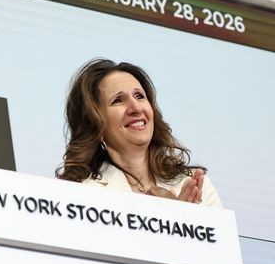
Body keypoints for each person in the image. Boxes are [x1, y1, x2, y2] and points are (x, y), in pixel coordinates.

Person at [56, 58, 222, 207]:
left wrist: (188, 223)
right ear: (95, 125)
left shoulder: (198, 186)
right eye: (117, 100)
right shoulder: (82, 195)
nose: (136, 108)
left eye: (139, 96)